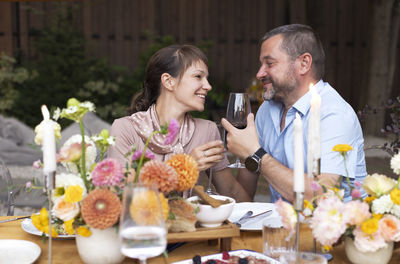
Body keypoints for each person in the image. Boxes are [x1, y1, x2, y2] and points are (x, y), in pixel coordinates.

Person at [222, 24, 366, 203]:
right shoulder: (266, 111)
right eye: (261, 64)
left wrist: (255, 153)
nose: (259, 73)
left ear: (304, 63)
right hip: (283, 225)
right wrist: (215, 169)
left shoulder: (334, 114)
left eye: (270, 63)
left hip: (335, 227)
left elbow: (318, 196)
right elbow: (243, 198)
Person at [108, 44, 251, 202]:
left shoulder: (207, 130)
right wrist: (185, 166)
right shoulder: (125, 129)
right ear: (168, 81)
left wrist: (254, 157)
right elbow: (121, 198)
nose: (208, 86)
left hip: (190, 224)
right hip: (144, 225)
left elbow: (231, 191)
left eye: (207, 79)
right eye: (198, 77)